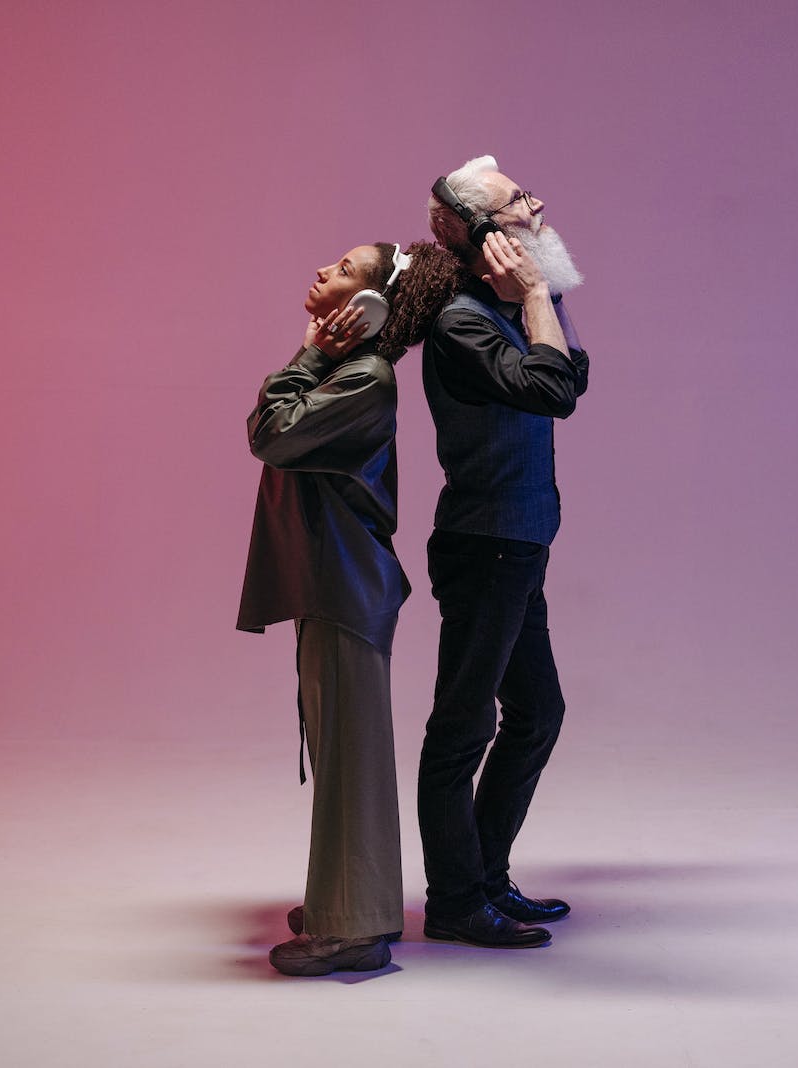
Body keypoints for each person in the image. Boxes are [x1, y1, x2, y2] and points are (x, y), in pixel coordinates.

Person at [237, 239, 462, 976]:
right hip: (334, 584)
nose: (320, 271)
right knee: (344, 754)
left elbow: (271, 436)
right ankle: (354, 900)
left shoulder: (365, 377)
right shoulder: (350, 370)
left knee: (349, 765)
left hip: (346, 588)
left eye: (341, 269)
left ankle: (353, 928)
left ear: (367, 305)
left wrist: (303, 357)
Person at [416, 155, 591, 949]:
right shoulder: (460, 321)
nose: (539, 201)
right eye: (519, 201)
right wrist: (531, 298)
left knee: (537, 714)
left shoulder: (507, 309)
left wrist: (539, 293)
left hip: (518, 543)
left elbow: (571, 373)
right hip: (485, 547)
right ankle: (457, 901)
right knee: (462, 730)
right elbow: (551, 390)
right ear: (481, 234)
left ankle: (485, 879)